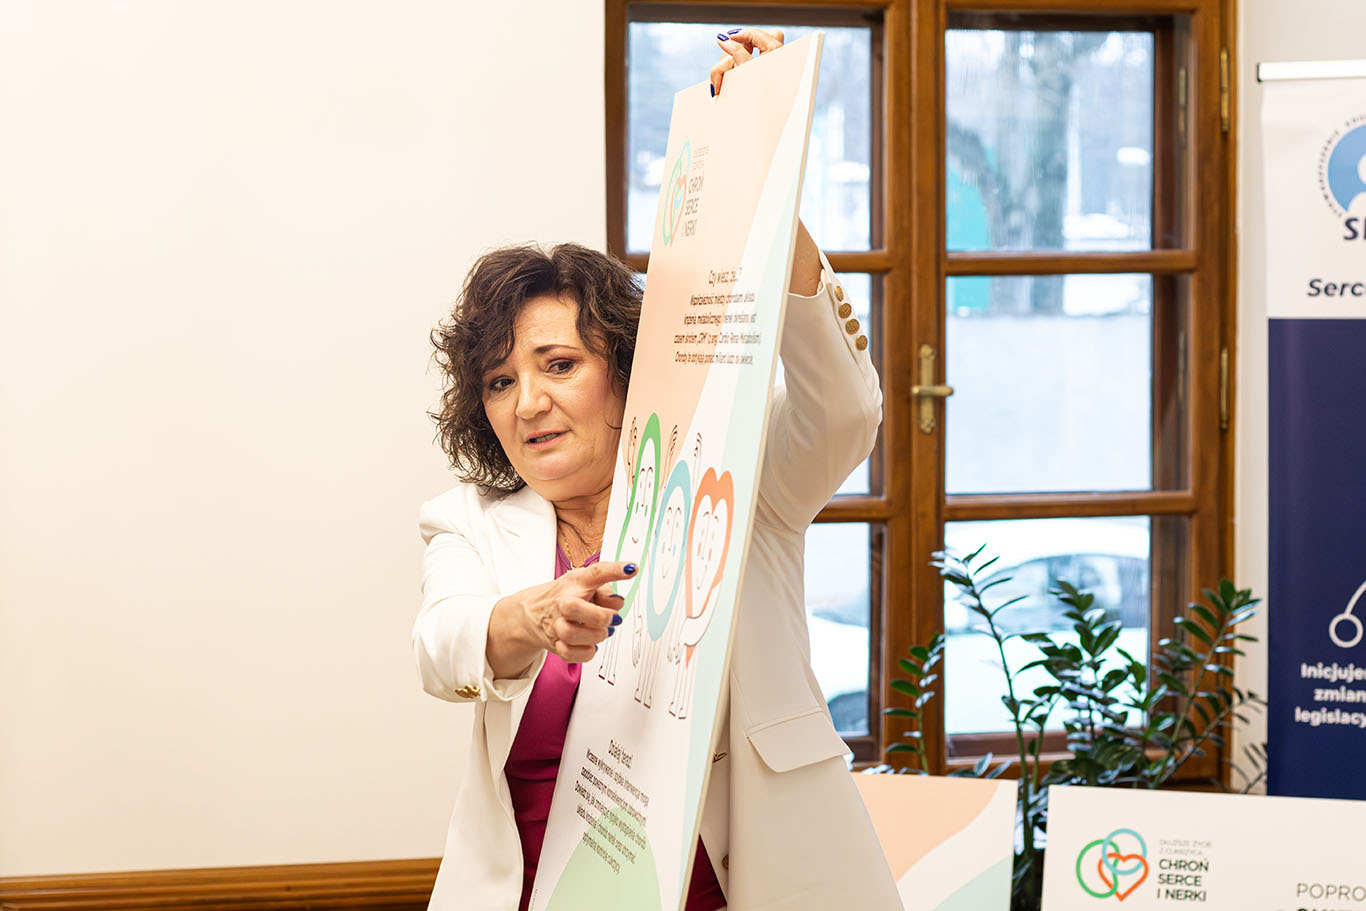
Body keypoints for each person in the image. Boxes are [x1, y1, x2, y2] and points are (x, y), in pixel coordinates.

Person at [414, 28, 900, 911]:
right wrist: (533, 614)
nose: (528, 402)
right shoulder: (469, 522)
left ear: (623, 368)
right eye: (500, 381)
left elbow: (843, 411)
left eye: (559, 365)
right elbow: (444, 642)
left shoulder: (735, 474)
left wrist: (765, 167)